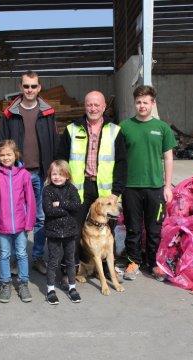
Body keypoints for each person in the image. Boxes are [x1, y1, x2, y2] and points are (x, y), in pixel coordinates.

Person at [56, 90, 127, 269]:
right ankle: (71, 267)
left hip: (105, 192)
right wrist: (63, 187)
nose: (93, 108)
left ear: (104, 107)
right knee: (74, 228)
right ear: (84, 106)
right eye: (89, 104)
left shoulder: (115, 131)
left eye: (97, 105)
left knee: (105, 231)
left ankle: (100, 268)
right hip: (78, 188)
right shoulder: (72, 129)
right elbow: (61, 159)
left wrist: (116, 192)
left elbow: (121, 163)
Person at [0, 71, 58, 275]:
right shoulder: (10, 113)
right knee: (16, 215)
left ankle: (37, 257)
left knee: (41, 217)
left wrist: (53, 169)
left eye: (33, 86)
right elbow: (2, 143)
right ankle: (15, 259)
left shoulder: (48, 112)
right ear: (21, 87)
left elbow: (54, 141)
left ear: (39, 87)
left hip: (41, 172)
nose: (30, 90)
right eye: (26, 86)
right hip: (17, 173)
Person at [119, 85, 177, 281]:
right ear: (134, 103)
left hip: (155, 188)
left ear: (153, 103)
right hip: (130, 188)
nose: (141, 106)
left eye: (145, 102)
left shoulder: (163, 129)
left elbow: (168, 158)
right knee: (133, 227)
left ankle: (152, 264)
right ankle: (133, 262)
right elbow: (118, 158)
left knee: (154, 229)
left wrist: (167, 187)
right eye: (138, 102)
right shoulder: (124, 127)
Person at [0, 139, 36, 303]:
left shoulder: (24, 175)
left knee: (21, 254)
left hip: (21, 223)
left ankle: (23, 283)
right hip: (2, 223)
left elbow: (30, 200)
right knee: (4, 255)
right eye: (2, 155)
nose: (5, 157)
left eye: (9, 154)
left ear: (15, 154)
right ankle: (5, 284)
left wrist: (29, 222)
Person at [42, 160, 82, 305]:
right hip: (53, 232)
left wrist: (60, 204)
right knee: (53, 261)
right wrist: (67, 210)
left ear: (67, 176)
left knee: (70, 261)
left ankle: (72, 288)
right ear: (49, 175)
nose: (57, 177)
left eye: (60, 174)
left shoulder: (72, 189)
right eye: (54, 174)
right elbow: (48, 211)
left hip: (70, 232)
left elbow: (77, 205)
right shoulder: (47, 190)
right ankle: (50, 289)